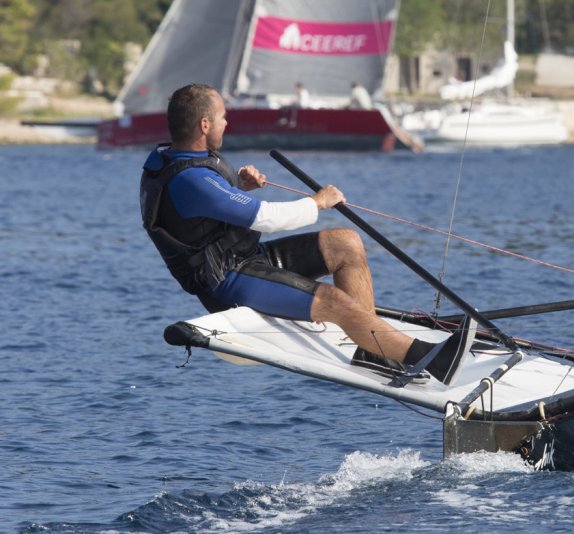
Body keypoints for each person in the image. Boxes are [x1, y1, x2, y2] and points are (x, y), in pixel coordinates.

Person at [140, 84, 474, 384]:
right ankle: (429, 358)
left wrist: (239, 186)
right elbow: (265, 218)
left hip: (245, 258)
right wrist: (317, 202)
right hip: (225, 280)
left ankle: (375, 351)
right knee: (335, 302)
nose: (227, 123)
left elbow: (200, 213)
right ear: (204, 125)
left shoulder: (178, 158)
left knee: (345, 242)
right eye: (223, 117)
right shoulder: (190, 180)